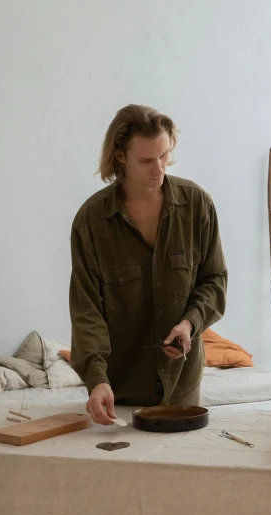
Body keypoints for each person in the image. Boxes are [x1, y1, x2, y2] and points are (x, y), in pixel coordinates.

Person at [69, 104, 227, 425]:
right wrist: (97, 379)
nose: (158, 169)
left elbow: (214, 281)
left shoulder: (198, 205)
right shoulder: (92, 222)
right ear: (120, 157)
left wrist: (190, 324)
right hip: (120, 387)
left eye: (164, 155)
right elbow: (87, 311)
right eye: (145, 160)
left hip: (182, 382)